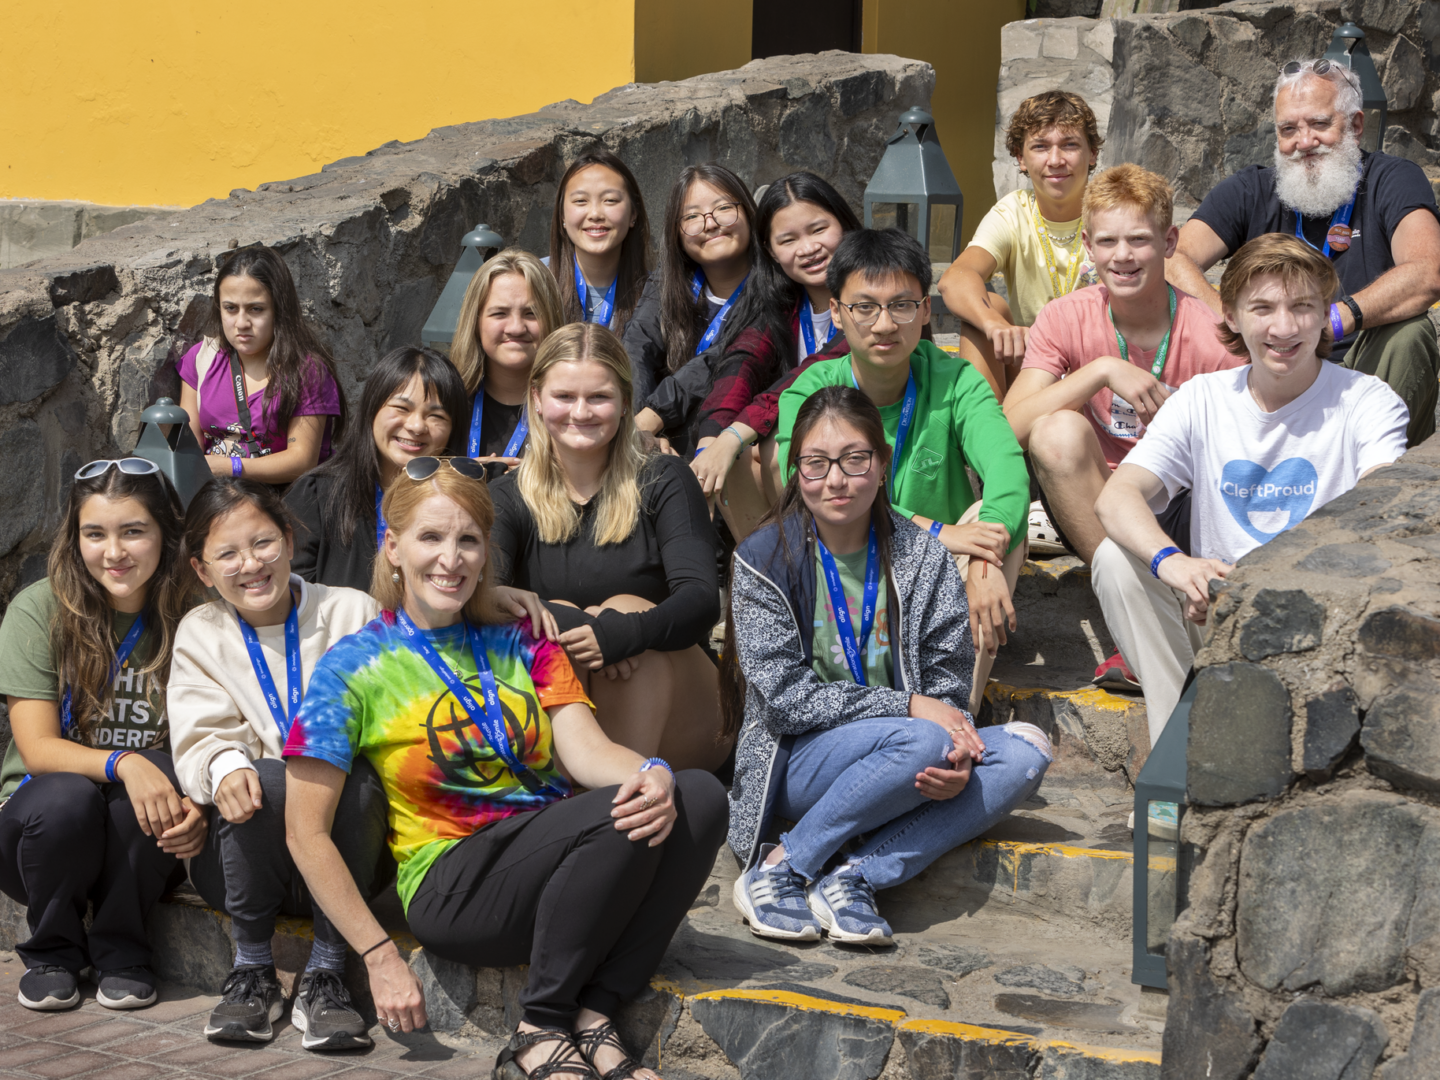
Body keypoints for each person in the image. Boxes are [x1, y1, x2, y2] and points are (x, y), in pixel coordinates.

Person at [283, 458, 728, 1080]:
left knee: (698, 795)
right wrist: (378, 953)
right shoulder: (352, 666)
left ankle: (596, 1012)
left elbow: (586, 749)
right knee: (612, 813)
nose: (452, 558)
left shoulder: (524, 635)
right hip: (454, 885)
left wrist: (651, 769)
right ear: (393, 547)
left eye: (468, 540)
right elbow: (304, 831)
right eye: (431, 538)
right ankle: (538, 1028)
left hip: (557, 869)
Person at [724, 386, 1051, 944]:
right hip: (798, 759)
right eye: (816, 464)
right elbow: (786, 698)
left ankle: (853, 876)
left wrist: (957, 756)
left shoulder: (921, 554)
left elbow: (948, 676)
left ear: (882, 465)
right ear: (794, 470)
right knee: (921, 739)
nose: (835, 480)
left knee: (1025, 750)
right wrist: (910, 710)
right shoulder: (763, 560)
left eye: (855, 460)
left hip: (911, 746)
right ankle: (782, 865)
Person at [1094, 234, 1408, 743]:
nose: (1283, 327)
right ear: (1233, 317)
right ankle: (1177, 747)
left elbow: (1376, 511)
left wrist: (1253, 586)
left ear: (1325, 313)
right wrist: (1178, 568)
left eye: (1302, 307)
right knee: (1116, 558)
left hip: (1319, 616)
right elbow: (1116, 496)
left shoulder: (1366, 401)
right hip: (1215, 607)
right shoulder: (1202, 398)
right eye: (1262, 308)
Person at [171, 479, 389, 1048]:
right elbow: (199, 737)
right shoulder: (202, 632)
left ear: (289, 540)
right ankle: (252, 972)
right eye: (227, 554)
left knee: (358, 780)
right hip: (248, 862)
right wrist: (222, 767)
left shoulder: (351, 611)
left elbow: (387, 723)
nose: (250, 564)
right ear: (202, 569)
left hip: (346, 852)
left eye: (263, 543)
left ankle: (325, 971)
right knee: (258, 776)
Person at [777, 229, 1030, 716]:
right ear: (837, 312)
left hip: (938, 573)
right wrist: (939, 530)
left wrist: (982, 561)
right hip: (846, 563)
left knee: (998, 525)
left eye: (902, 305)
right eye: (865, 307)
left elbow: (1009, 472)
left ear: (927, 310)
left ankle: (955, 720)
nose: (885, 324)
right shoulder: (810, 393)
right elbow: (816, 493)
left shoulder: (955, 380)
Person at [0, 459, 204, 1012]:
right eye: (96, 534)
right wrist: (124, 762)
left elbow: (208, 734)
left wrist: (198, 807)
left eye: (133, 531)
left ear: (165, 532)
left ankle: (122, 953)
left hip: (137, 839)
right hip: (40, 839)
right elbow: (38, 749)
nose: (114, 552)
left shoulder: (193, 612)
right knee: (70, 793)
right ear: (76, 537)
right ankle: (52, 953)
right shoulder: (38, 609)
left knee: (162, 771)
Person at [490, 323, 729, 772]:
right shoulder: (507, 497)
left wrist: (623, 635)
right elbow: (488, 600)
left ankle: (621, 796)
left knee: (623, 609)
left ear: (624, 403)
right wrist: (588, 631)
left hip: (684, 714)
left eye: (598, 397)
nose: (580, 412)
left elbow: (701, 602)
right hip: (562, 706)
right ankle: (596, 789)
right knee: (553, 616)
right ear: (537, 400)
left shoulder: (664, 481)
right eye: (564, 396)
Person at [1167, 58, 1440, 446]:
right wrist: (1233, 320)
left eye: (1319, 124)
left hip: (1360, 371)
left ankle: (1374, 480)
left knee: (1410, 334)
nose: (1304, 142)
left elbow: (1428, 271)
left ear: (1356, 125)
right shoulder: (1251, 189)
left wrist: (1332, 321)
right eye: (1288, 130)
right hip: (1268, 369)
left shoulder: (1393, 179)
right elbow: (1171, 257)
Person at [1005, 164, 1246, 567]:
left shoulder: (1213, 335)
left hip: (1177, 499)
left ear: (1169, 242)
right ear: (1087, 245)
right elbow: (1010, 429)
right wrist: (1100, 370)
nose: (1122, 256)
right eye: (1107, 241)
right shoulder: (1063, 316)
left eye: (1138, 239)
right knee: (1054, 431)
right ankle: (1122, 579)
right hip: (1090, 497)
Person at [637, 172, 860, 537]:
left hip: (860, 434)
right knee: (732, 449)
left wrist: (733, 436)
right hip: (805, 444)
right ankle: (765, 573)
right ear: (770, 250)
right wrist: (712, 441)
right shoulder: (782, 303)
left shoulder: (868, 298)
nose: (807, 248)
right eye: (788, 239)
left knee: (768, 448)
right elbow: (740, 364)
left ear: (845, 225)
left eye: (819, 230)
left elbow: (812, 372)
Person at [938, 90, 1103, 401]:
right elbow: (956, 278)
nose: (1055, 160)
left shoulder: (1112, 211)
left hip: (1097, 368)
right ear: (1020, 158)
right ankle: (985, 436)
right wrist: (993, 324)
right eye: (1040, 147)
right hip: (1033, 369)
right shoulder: (1014, 211)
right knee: (987, 310)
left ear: (1092, 153)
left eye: (1070, 145)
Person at [286, 346, 469, 592]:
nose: (416, 426)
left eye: (436, 416)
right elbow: (290, 598)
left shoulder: (463, 504)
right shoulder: (317, 496)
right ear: (372, 409)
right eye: (402, 408)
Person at [177, 245, 346, 484]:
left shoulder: (307, 371)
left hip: (283, 504)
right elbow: (189, 445)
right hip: (216, 500)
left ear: (279, 310)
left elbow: (302, 460)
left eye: (256, 309)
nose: (241, 323)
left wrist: (231, 467)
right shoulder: (201, 359)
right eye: (231, 308)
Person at [622, 164, 761, 409]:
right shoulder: (665, 285)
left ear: (749, 212)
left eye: (724, 208)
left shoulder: (773, 291)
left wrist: (654, 417)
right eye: (692, 216)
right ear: (676, 234)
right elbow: (636, 351)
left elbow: (721, 360)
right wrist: (638, 430)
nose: (710, 224)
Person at [448, 248, 565, 468]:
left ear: (552, 318)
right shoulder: (446, 404)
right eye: (499, 313)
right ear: (476, 322)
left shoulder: (573, 408)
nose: (516, 328)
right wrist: (461, 478)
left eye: (531, 313)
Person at [549, 148, 652, 337]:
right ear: (562, 215)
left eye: (610, 200)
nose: (595, 214)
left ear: (633, 214)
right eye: (580, 201)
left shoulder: (655, 295)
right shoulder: (533, 281)